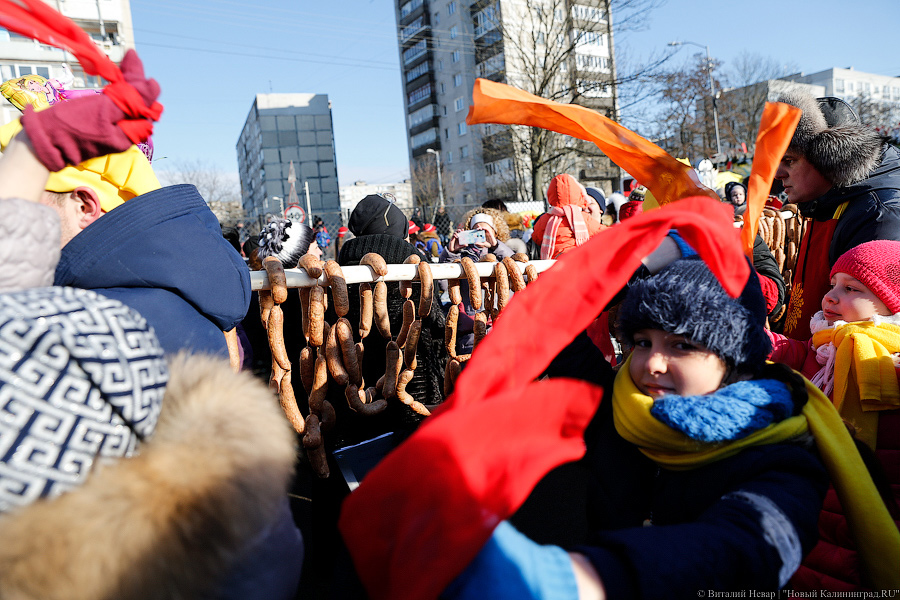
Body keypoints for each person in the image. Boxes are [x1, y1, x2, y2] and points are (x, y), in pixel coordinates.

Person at [339, 198, 898, 599]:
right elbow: (543, 357)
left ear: (733, 360)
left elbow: (742, 546)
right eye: (641, 341)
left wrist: (588, 579)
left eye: (682, 345)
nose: (652, 361)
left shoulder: (780, 452)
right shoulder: (625, 405)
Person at [766, 240, 900, 590]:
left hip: (883, 509)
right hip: (816, 500)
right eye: (833, 284)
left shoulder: (893, 364)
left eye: (851, 288)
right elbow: (779, 349)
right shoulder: (822, 345)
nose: (831, 296)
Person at [775, 92, 900, 339]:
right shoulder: (826, 202)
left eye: (789, 160)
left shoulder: (879, 215)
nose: (778, 173)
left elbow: (868, 328)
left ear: (830, 160)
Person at [440, 208, 515, 355]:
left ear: (495, 232)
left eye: (485, 232)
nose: (481, 236)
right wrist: (450, 252)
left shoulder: (505, 253)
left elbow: (522, 276)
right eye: (475, 232)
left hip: (504, 327)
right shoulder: (462, 258)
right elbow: (443, 284)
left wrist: (496, 246)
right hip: (471, 329)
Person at [531, 173, 605, 259]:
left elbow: (536, 237)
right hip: (576, 258)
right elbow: (602, 232)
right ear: (577, 195)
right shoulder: (582, 218)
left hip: (553, 260)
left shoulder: (545, 219)